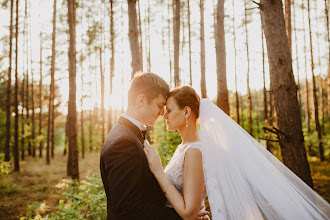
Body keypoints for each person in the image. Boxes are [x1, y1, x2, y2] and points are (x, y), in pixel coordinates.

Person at [144, 86, 330, 220]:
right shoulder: (185, 148)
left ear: (186, 112)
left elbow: (189, 212)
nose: (164, 115)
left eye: (168, 110)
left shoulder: (194, 152)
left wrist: (159, 172)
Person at [100, 73, 209, 220]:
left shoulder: (130, 136)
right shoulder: (124, 143)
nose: (162, 113)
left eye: (167, 109)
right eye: (160, 106)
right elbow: (129, 210)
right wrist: (185, 217)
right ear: (142, 100)